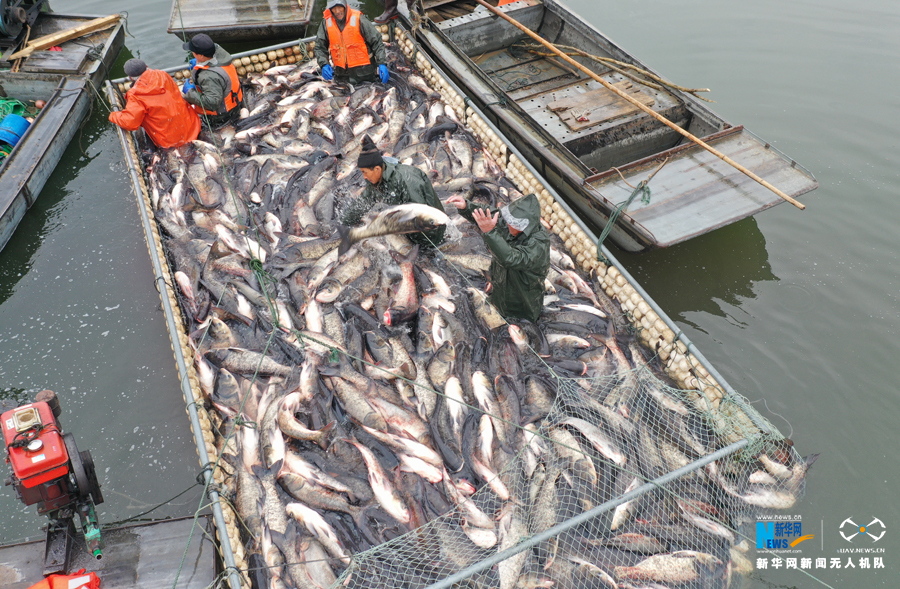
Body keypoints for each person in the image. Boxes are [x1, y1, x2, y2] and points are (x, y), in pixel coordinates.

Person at [445, 193, 550, 323]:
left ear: (525, 227)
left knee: (521, 320)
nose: (508, 224)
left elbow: (512, 258)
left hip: (523, 295)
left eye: (514, 223)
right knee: (498, 301)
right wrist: (467, 206)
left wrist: (489, 232)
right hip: (501, 280)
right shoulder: (511, 224)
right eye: (509, 220)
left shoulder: (539, 243)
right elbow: (493, 214)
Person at [341, 135, 446, 248]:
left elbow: (420, 217)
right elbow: (363, 203)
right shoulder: (375, 181)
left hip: (431, 232)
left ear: (377, 169)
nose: (364, 177)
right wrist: (343, 224)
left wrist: (385, 226)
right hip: (408, 226)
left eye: (365, 172)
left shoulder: (406, 180)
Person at [109, 59, 200, 149]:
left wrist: (113, 115)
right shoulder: (163, 74)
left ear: (131, 78)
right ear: (147, 66)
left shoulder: (135, 94)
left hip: (171, 141)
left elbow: (130, 123)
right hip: (193, 126)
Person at [314, 0, 389, 85]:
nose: (337, 11)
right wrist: (324, 64)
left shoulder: (358, 18)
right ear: (330, 9)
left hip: (365, 73)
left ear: (345, 5)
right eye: (334, 8)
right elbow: (319, 47)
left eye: (339, 7)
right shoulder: (326, 22)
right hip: (341, 75)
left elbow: (377, 41)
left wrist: (382, 63)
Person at [181, 34, 243, 127]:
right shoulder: (221, 56)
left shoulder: (208, 76)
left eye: (194, 52)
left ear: (202, 56)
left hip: (222, 116)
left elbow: (212, 103)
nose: (192, 53)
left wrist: (190, 92)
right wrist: (199, 62)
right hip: (236, 102)